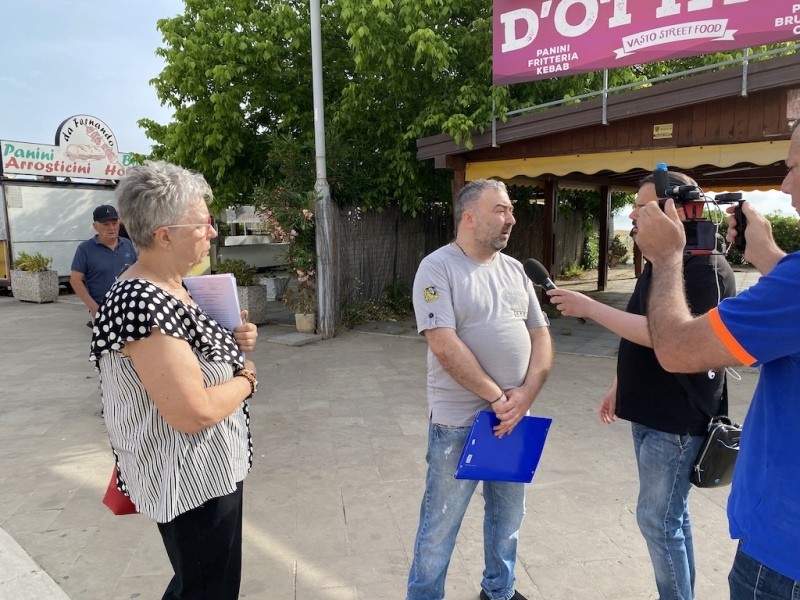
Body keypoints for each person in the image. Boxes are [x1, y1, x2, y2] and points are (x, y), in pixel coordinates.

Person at [547, 171, 736, 600]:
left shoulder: (705, 267)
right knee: (672, 517)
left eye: (642, 206)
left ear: (676, 209)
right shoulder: (659, 261)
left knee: (657, 520)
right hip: (647, 411)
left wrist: (590, 308)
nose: (632, 215)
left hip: (677, 421)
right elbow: (640, 326)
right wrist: (620, 383)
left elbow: (667, 336)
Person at [633, 117, 800, 599]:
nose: (784, 185)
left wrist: (666, 261)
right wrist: (771, 258)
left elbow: (676, 347)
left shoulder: (707, 270)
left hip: (783, 557)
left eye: (793, 168)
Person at [89, 161, 259, 600]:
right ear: (164, 235)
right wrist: (247, 379)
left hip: (210, 470)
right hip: (188, 479)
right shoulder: (142, 299)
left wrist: (236, 340)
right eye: (204, 223)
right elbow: (192, 411)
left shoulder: (177, 285)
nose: (212, 232)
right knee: (206, 589)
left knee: (203, 582)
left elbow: (199, 354)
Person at [407, 179, 553, 600]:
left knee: (508, 522)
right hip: (460, 426)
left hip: (512, 421)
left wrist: (526, 394)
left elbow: (541, 336)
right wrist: (497, 396)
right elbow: (443, 342)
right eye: (501, 210)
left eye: (510, 211)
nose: (511, 219)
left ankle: (499, 591)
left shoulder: (516, 271)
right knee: (439, 530)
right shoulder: (437, 268)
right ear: (469, 218)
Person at [70, 204, 137, 325]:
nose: (111, 228)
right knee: (107, 344)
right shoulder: (85, 249)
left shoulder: (128, 245)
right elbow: (75, 280)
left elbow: (139, 272)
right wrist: (93, 307)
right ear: (95, 226)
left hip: (130, 309)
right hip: (103, 311)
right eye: (105, 224)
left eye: (114, 223)